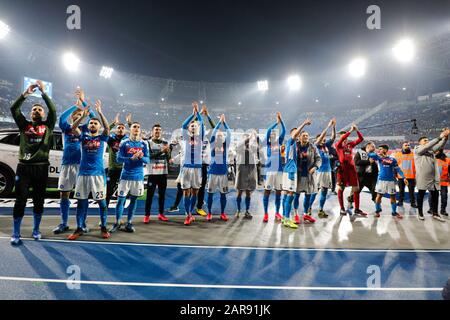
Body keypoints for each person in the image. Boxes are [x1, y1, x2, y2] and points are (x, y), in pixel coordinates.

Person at [10, 80, 56, 245]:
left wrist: (44, 93)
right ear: (30, 114)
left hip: (41, 168)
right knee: (20, 200)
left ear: (43, 114)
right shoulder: (24, 125)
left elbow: (53, 109)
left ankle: (36, 230)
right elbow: (14, 109)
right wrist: (25, 94)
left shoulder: (48, 126)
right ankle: (16, 233)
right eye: (34, 109)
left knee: (39, 200)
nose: (37, 110)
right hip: (24, 168)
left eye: (39, 109)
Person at [53, 88, 96, 234]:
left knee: (82, 195)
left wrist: (83, 102)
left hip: (81, 165)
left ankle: (82, 223)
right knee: (64, 194)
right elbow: (61, 118)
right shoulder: (66, 128)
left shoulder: (85, 129)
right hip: (67, 165)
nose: (77, 116)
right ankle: (64, 223)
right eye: (75, 115)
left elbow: (93, 117)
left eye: (80, 115)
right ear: (72, 118)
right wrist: (75, 105)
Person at [68, 100, 111, 240]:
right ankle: (79, 228)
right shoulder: (83, 136)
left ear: (98, 126)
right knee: (81, 202)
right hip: (83, 174)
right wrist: (83, 116)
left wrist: (100, 112)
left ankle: (103, 227)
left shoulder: (102, 138)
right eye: (91, 123)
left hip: (98, 175)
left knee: (102, 203)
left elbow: (107, 128)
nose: (92, 124)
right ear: (88, 125)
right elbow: (73, 128)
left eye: (95, 123)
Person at [110, 122, 149, 233]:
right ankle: (117, 222)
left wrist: (141, 158)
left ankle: (129, 222)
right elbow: (118, 159)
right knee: (120, 200)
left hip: (138, 176)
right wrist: (130, 158)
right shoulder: (124, 143)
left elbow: (148, 160)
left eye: (138, 127)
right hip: (125, 175)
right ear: (130, 130)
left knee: (133, 200)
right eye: (134, 127)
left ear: (140, 130)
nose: (136, 129)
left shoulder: (144, 144)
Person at [281, 119, 312, 228]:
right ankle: (286, 219)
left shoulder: (294, 145)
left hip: (288, 170)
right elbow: (296, 134)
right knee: (290, 196)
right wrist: (304, 123)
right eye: (296, 133)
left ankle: (285, 218)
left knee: (286, 195)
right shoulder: (290, 141)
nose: (297, 134)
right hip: (290, 171)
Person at [414, 129, 449, 221]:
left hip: (433, 177)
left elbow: (439, 146)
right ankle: (420, 213)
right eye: (425, 140)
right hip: (422, 177)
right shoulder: (417, 149)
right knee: (421, 195)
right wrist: (439, 137)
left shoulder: (431, 151)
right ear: (420, 143)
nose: (427, 141)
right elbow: (427, 146)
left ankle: (435, 213)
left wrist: (445, 138)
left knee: (435, 195)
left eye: (427, 140)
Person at [179, 102, 205, 225]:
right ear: (189, 129)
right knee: (186, 191)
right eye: (192, 126)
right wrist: (192, 115)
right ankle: (188, 215)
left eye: (195, 125)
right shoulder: (186, 136)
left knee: (195, 191)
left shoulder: (200, 137)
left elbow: (202, 123)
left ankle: (190, 213)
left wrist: (198, 114)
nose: (193, 126)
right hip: (187, 167)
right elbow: (183, 125)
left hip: (197, 168)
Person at [335, 124, 367, 217]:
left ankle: (357, 209)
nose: (345, 139)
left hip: (351, 169)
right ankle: (342, 208)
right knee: (341, 188)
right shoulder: (338, 145)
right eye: (343, 137)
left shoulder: (350, 145)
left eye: (346, 138)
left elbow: (361, 139)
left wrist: (357, 130)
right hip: (342, 169)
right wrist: (350, 131)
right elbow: (341, 139)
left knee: (356, 188)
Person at [307, 118, 336, 218]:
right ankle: (308, 208)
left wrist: (333, 126)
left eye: (324, 138)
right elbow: (321, 138)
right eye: (322, 138)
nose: (324, 139)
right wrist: (327, 126)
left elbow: (333, 137)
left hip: (327, 171)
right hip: (319, 172)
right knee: (315, 191)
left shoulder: (326, 146)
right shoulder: (315, 146)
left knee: (324, 191)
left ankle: (321, 210)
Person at [369, 144, 407, 219]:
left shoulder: (392, 159)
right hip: (381, 180)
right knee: (379, 196)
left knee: (393, 197)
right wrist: (378, 154)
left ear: (386, 150)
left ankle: (394, 212)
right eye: (378, 149)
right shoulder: (378, 158)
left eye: (381, 149)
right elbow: (369, 154)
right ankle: (377, 211)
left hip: (391, 181)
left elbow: (398, 169)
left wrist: (404, 177)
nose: (379, 150)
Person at [206, 114, 231, 221]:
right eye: (218, 136)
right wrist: (218, 124)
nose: (219, 137)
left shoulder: (226, 145)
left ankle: (222, 213)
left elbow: (229, 133)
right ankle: (209, 213)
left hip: (223, 173)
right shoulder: (212, 144)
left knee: (223, 195)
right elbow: (213, 132)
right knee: (210, 194)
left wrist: (224, 123)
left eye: (221, 136)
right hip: (212, 173)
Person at [144, 123, 171, 223]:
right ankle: (147, 215)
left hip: (163, 173)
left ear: (161, 132)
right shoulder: (148, 143)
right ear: (152, 131)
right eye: (156, 130)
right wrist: (161, 151)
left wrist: (168, 152)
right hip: (152, 173)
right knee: (150, 195)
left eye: (159, 130)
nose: (157, 131)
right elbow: (149, 157)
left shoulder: (165, 142)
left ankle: (161, 214)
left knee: (162, 195)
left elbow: (168, 158)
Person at [262, 112, 286, 223]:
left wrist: (281, 121)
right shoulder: (267, 143)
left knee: (278, 192)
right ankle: (266, 214)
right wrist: (276, 123)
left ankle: (277, 212)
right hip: (270, 170)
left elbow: (284, 131)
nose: (272, 136)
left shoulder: (279, 142)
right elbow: (268, 130)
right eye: (271, 135)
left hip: (279, 171)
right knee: (267, 191)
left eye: (273, 135)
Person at [194, 105, 216, 217]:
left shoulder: (208, 138)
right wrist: (196, 115)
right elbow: (190, 125)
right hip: (193, 165)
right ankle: (190, 207)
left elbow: (215, 127)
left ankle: (199, 207)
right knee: (192, 187)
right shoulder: (192, 137)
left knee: (202, 186)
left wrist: (207, 115)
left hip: (203, 166)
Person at [233, 130, 260, 219]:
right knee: (239, 192)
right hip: (242, 170)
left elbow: (256, 150)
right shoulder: (240, 146)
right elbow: (240, 146)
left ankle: (247, 211)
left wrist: (254, 137)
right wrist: (249, 137)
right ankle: (238, 210)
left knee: (248, 192)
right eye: (245, 136)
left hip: (251, 170)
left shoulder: (253, 146)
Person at [105, 114, 128, 207]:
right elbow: (105, 131)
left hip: (124, 169)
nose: (121, 129)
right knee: (109, 190)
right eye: (119, 127)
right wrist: (113, 123)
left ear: (125, 130)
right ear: (116, 129)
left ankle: (120, 214)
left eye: (122, 128)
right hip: (113, 168)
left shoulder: (127, 140)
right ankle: (104, 211)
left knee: (123, 192)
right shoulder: (111, 139)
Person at [348, 141, 378, 207]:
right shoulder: (359, 153)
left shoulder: (373, 154)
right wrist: (368, 161)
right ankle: (350, 201)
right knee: (356, 191)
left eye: (374, 147)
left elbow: (375, 164)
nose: (374, 148)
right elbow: (356, 162)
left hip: (371, 177)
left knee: (374, 189)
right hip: (361, 176)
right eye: (373, 147)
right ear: (368, 146)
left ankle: (376, 203)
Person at [393, 142, 417, 208]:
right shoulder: (397, 154)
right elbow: (395, 166)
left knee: (412, 191)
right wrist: (395, 175)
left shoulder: (414, 154)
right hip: (401, 177)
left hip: (411, 176)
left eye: (408, 145)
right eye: (405, 145)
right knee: (401, 190)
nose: (407, 146)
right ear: (402, 147)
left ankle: (413, 203)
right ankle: (400, 202)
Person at [428, 149, 449, 216]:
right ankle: (431, 209)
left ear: (440, 151)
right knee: (431, 197)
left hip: (443, 182)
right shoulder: (431, 160)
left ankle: (443, 210)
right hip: (433, 183)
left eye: (437, 151)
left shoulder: (447, 160)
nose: (435, 152)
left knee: (444, 197)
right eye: (434, 151)